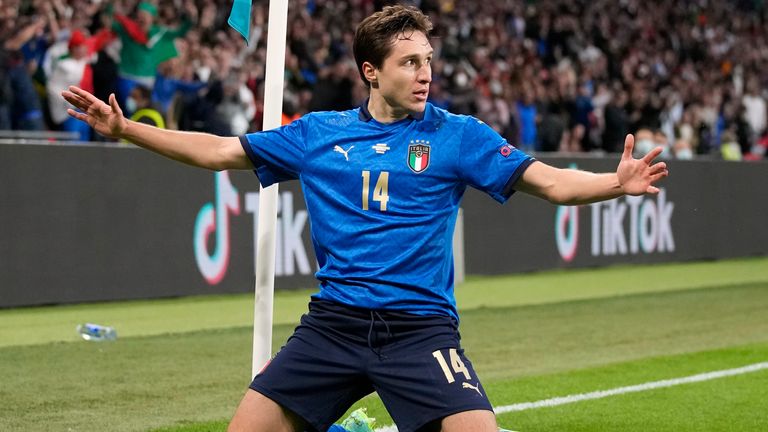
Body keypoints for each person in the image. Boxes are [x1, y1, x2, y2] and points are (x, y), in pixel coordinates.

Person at [62, 5, 668, 432]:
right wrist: (126, 130)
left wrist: (615, 184)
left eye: (427, 59)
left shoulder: (458, 136)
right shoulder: (320, 135)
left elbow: (553, 184)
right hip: (332, 330)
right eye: (408, 62)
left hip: (420, 332)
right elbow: (222, 151)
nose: (424, 72)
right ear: (371, 72)